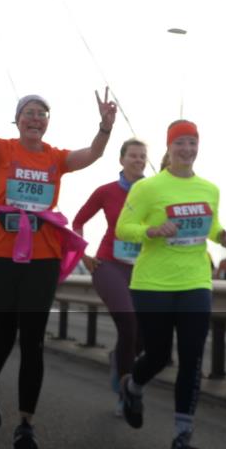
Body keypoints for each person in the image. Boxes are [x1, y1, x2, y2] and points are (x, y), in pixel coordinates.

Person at [0, 51, 113, 449]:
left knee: (32, 340)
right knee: (4, 335)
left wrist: (103, 129)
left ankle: (26, 425)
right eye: (29, 113)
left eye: (42, 114)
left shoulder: (55, 158)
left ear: (47, 123)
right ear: (17, 121)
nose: (35, 119)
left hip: (43, 255)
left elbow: (94, 154)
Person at [116, 120, 226, 449]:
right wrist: (151, 230)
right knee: (158, 356)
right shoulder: (148, 188)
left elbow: (209, 225)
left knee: (192, 359)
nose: (187, 149)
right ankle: (132, 387)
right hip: (153, 283)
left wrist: (223, 236)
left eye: (192, 143)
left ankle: (182, 438)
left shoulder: (209, 189)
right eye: (180, 143)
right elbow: (124, 228)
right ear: (169, 148)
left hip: (195, 280)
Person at [72, 138, 148, 415]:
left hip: (143, 268)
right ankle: (126, 394)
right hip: (108, 265)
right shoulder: (106, 191)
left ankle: (119, 359)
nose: (139, 160)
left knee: (141, 335)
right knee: (128, 322)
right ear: (122, 159)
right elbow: (78, 221)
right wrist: (83, 254)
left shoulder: (154, 192)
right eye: (133, 156)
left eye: (143, 156)